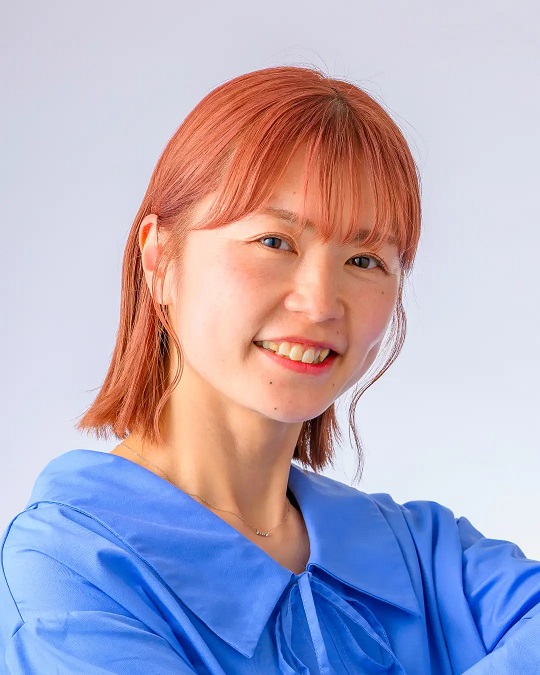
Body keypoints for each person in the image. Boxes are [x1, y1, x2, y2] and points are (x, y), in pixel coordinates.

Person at [0, 65, 538, 674]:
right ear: (160, 259)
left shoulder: (424, 554)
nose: (320, 303)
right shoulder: (72, 571)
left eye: (365, 260)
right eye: (275, 242)